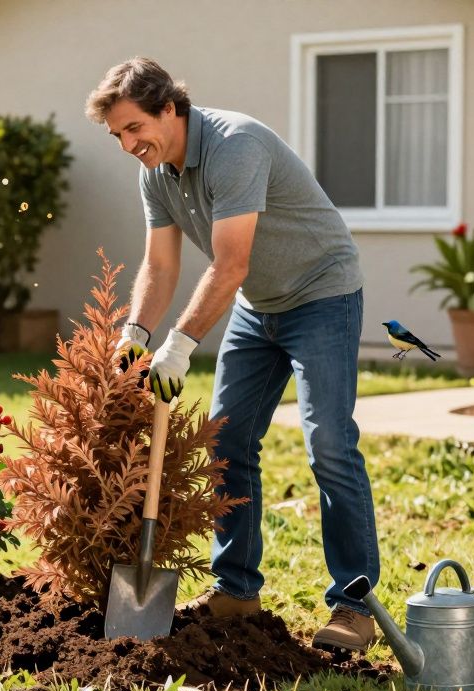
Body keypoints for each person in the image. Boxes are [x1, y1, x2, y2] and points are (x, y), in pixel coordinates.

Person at [85, 57, 379, 652]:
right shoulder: (156, 175)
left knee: (327, 441)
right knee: (228, 440)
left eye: (135, 128)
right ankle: (236, 590)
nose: (127, 145)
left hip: (321, 291)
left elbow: (230, 262)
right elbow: (160, 265)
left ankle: (354, 607)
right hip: (257, 303)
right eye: (118, 135)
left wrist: (182, 342)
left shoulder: (235, 145)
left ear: (170, 107)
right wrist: (136, 335)